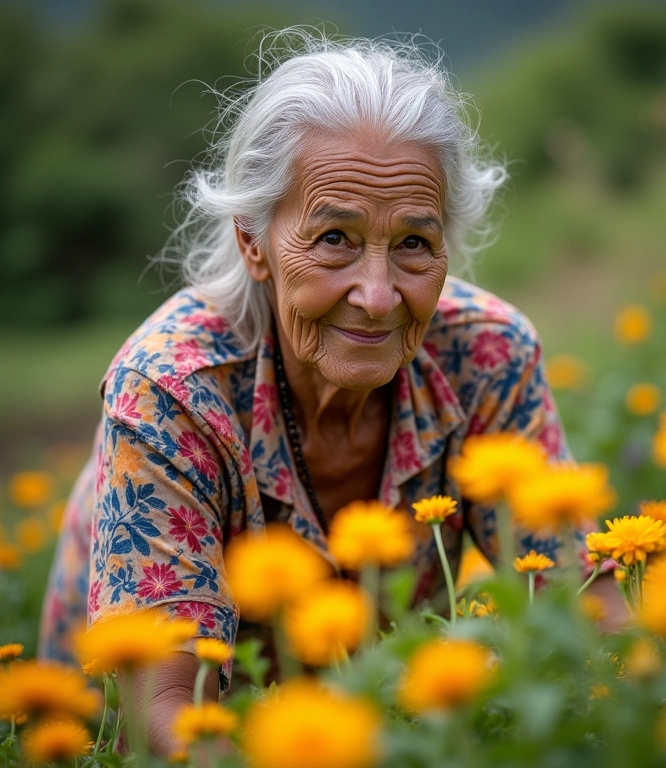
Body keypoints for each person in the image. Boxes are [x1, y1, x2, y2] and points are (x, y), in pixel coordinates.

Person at [39, 30, 614, 756]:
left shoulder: (485, 357)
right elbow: (160, 714)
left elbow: (586, 604)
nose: (377, 297)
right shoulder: (173, 391)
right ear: (254, 243)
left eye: (413, 244)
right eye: (334, 238)